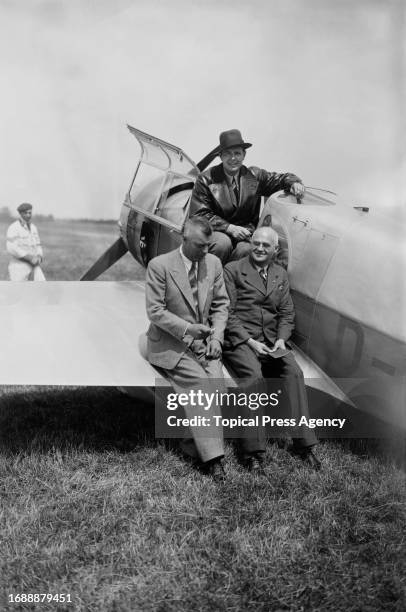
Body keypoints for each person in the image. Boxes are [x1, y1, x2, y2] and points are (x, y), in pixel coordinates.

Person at [222, 226, 321, 470]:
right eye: (256, 243)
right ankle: (253, 453)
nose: (259, 248)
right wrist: (251, 342)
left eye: (266, 245)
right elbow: (228, 313)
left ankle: (304, 445)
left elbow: (286, 312)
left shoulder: (280, 274)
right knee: (254, 378)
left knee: (294, 373)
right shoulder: (233, 270)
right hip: (241, 340)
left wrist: (281, 340)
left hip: (272, 342)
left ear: (275, 250)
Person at [189, 129, 305, 264]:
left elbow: (280, 179)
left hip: (245, 235)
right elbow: (199, 215)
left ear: (244, 155)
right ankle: (206, 280)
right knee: (222, 243)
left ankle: (229, 282)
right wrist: (229, 228)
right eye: (227, 154)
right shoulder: (205, 179)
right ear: (220, 156)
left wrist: (293, 183)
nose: (233, 158)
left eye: (237, 153)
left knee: (246, 249)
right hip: (216, 232)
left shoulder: (255, 175)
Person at [6, 203, 45, 281]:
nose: (28, 215)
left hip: (34, 265)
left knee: (42, 287)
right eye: (25, 213)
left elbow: (38, 245)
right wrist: (29, 258)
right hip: (18, 266)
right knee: (19, 291)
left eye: (30, 213)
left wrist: (39, 256)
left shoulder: (33, 227)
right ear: (20, 214)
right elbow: (12, 248)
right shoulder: (14, 227)